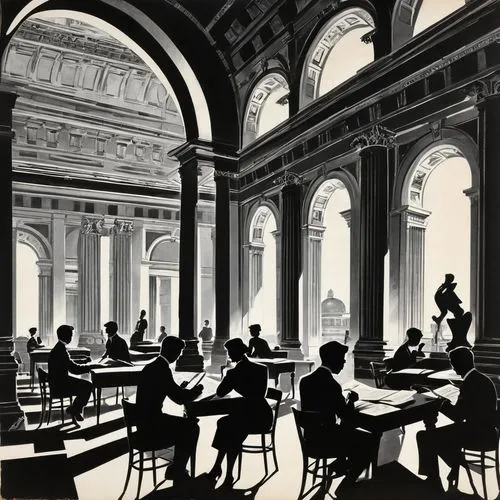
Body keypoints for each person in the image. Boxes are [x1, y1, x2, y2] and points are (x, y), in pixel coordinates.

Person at [300, 341, 377, 497]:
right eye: (341, 358)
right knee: (370, 440)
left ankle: (341, 464)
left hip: (310, 438)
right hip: (327, 441)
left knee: (346, 431)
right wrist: (351, 401)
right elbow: (347, 416)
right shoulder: (332, 385)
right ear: (333, 359)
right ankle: (347, 484)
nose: (343, 362)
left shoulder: (305, 380)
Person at [417, 347, 498, 493]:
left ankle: (436, 475)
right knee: (442, 438)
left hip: (476, 435)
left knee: (425, 436)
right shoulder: (482, 379)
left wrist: (441, 402)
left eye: (452, 363)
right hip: (489, 432)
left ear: (460, 364)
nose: (452, 366)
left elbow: (457, 417)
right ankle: (457, 466)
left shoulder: (469, 384)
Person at [136, 336, 203, 485]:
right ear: (172, 352)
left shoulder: (152, 366)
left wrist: (181, 390)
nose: (179, 355)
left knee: (186, 425)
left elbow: (169, 390)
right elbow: (179, 399)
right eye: (179, 352)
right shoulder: (163, 369)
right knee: (192, 427)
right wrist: (196, 392)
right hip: (152, 424)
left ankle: (176, 466)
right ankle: (178, 469)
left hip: (143, 421)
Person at [206, 338, 273, 487]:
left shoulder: (233, 373)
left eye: (230, 352)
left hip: (253, 417)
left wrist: (227, 375)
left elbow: (220, 392)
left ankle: (225, 472)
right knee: (226, 424)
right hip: (262, 414)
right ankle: (220, 469)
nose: (229, 355)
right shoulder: (261, 369)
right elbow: (260, 394)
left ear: (236, 352)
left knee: (231, 427)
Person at [47, 325, 93, 422]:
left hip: (58, 382)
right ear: (66, 336)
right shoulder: (60, 350)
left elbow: (69, 363)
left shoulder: (59, 348)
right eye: (70, 335)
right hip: (60, 386)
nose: (71, 338)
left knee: (85, 385)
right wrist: (90, 367)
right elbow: (74, 370)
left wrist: (84, 361)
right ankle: (74, 409)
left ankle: (75, 409)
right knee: (88, 386)